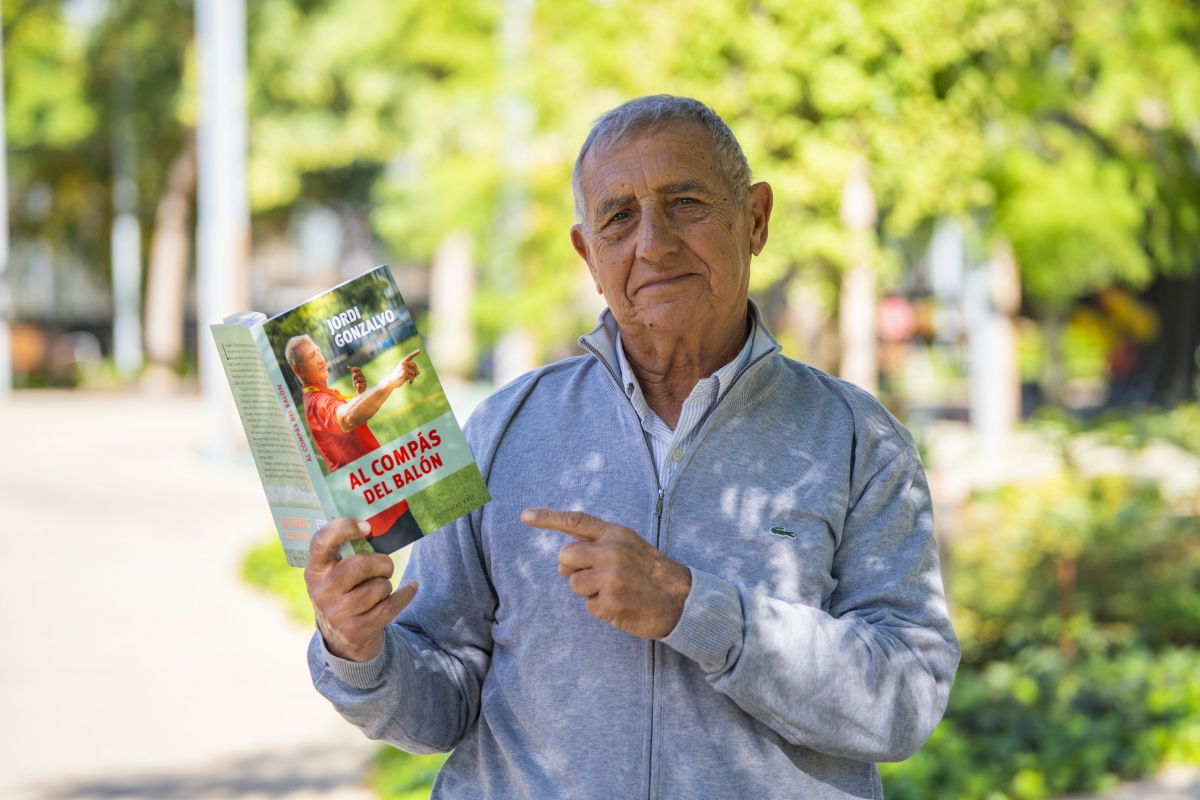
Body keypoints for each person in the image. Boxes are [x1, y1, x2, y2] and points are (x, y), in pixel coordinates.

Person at [303, 95, 960, 799]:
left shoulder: (856, 438)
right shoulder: (501, 428)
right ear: (589, 253)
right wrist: (360, 651)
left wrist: (693, 608)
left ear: (756, 219)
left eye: (685, 202)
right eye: (619, 217)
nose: (654, 242)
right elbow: (442, 700)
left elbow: (906, 695)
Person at [285, 334, 423, 552]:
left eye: (319, 351)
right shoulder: (317, 402)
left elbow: (354, 423)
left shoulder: (324, 393)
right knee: (420, 560)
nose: (321, 359)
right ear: (298, 370)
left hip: (381, 494)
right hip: (379, 512)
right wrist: (390, 380)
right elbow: (348, 418)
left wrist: (361, 395)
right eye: (312, 356)